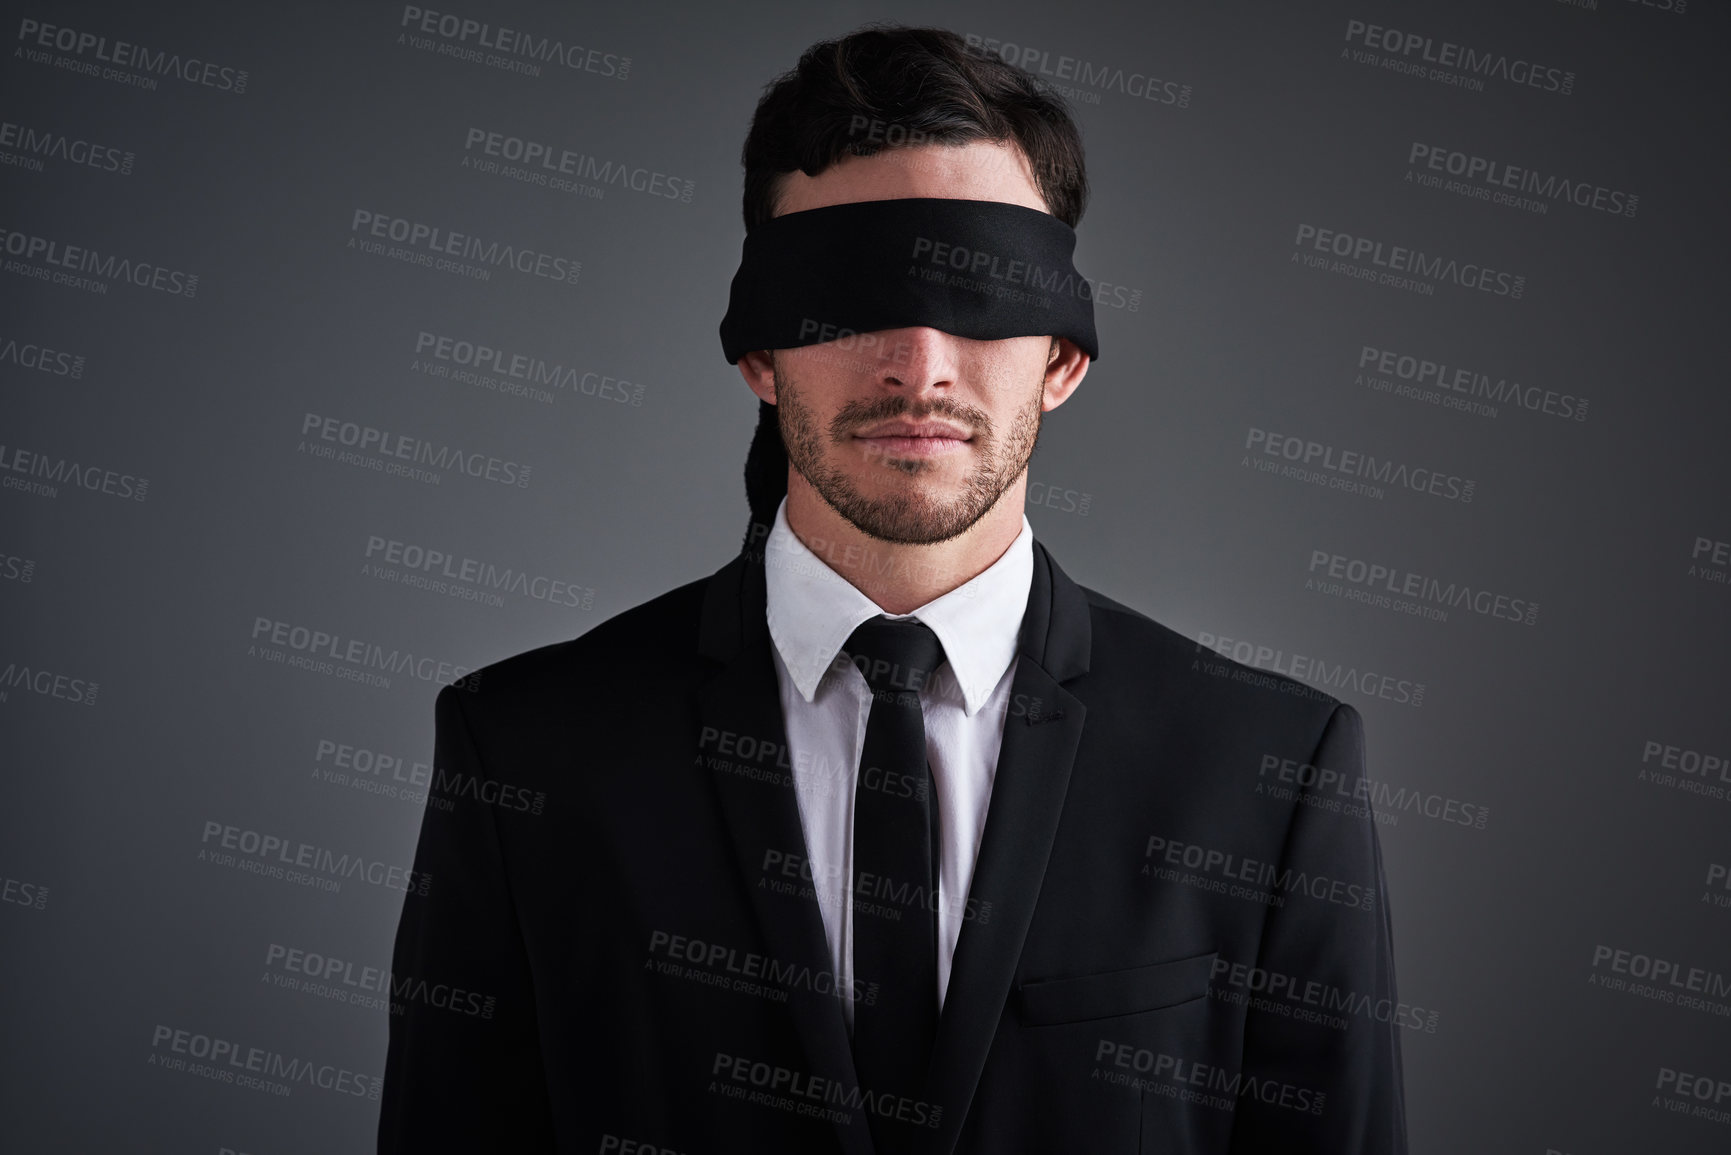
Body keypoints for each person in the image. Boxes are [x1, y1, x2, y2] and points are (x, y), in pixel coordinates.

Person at [379, 23, 1407, 1155]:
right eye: (851, 294)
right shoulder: (528, 753)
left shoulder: (1265, 772)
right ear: (760, 352)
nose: (919, 363)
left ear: (1063, 358)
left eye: (982, 293)